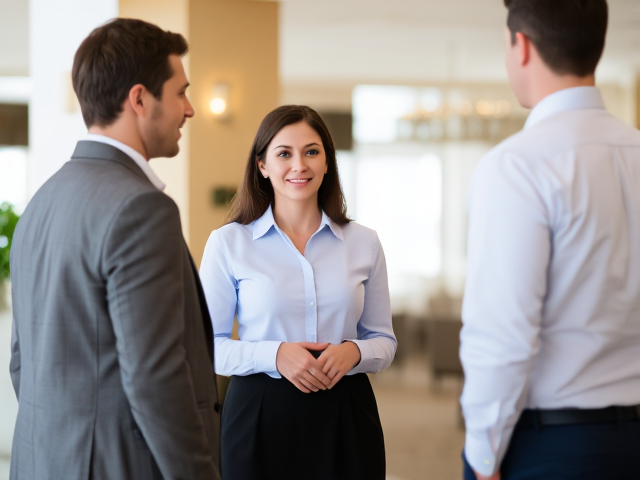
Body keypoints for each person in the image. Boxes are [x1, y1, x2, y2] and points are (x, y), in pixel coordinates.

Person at [9, 19, 221, 480]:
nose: (189, 110)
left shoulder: (39, 205)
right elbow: (156, 379)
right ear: (140, 99)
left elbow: (22, 363)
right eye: (180, 92)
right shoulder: (142, 209)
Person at [459, 1, 640, 479]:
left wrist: (482, 454)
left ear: (521, 45)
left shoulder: (516, 166)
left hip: (554, 446)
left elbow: (503, 335)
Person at [200, 105, 397, 480]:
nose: (299, 166)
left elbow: (384, 341)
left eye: (311, 151)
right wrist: (276, 355)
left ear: (327, 162)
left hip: (346, 412)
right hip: (258, 414)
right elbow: (209, 347)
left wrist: (354, 351)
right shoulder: (229, 243)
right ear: (262, 166)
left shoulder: (364, 243)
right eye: (284, 154)